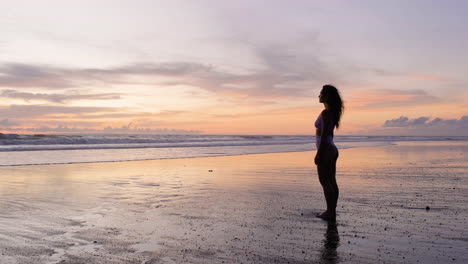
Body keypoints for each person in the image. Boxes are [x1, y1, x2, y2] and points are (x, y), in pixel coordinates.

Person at [314, 84, 344, 221]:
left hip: (326, 149)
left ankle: (330, 211)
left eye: (321, 93)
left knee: (325, 181)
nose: (319, 95)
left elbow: (325, 133)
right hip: (331, 149)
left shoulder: (326, 113)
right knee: (331, 181)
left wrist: (319, 153)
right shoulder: (331, 112)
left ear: (327, 96)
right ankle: (331, 210)